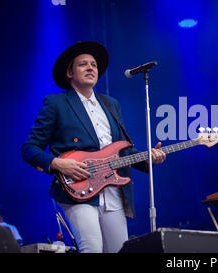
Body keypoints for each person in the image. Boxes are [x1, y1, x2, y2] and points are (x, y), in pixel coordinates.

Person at [21, 41, 166, 253]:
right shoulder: (56, 103)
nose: (91, 68)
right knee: (92, 248)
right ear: (69, 73)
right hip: (76, 189)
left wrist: (149, 158)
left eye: (94, 65)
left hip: (113, 191)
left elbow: (123, 151)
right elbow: (29, 148)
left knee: (119, 250)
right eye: (83, 64)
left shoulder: (111, 104)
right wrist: (57, 163)